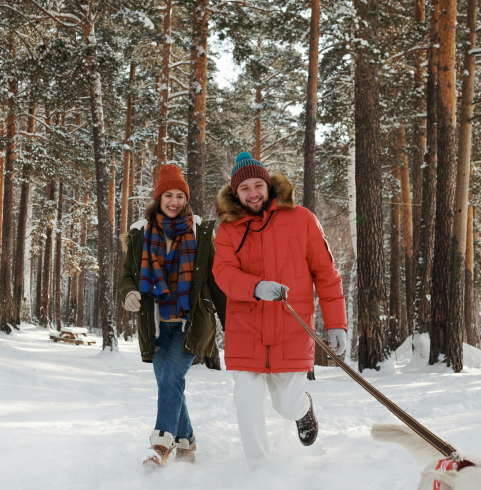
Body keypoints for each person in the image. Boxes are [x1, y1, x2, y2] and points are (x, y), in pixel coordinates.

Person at [212, 152, 348, 462]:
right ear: (235, 193)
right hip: (246, 325)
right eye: (244, 188)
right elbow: (223, 272)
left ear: (268, 184)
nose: (252, 193)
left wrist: (336, 324)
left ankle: (302, 408)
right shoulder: (228, 229)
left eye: (257, 184)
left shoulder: (302, 219)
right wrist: (255, 287)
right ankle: (259, 468)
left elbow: (326, 276)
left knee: (285, 405)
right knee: (246, 398)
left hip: (291, 326)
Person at [120, 164, 227, 470]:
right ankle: (188, 442)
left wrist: (232, 324)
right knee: (169, 386)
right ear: (159, 197)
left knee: (171, 379)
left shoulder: (200, 231)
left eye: (180, 196)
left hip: (189, 324)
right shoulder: (140, 232)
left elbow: (216, 282)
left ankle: (160, 446)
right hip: (154, 325)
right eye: (169, 195)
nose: (175, 201)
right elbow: (128, 275)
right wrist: (130, 293)